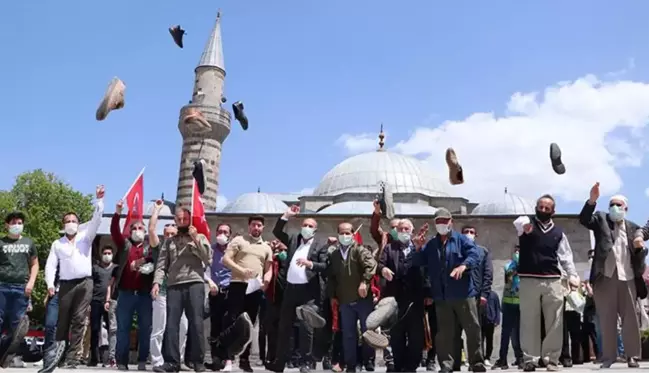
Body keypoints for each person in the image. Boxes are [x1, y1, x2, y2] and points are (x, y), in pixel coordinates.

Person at [580, 182, 647, 368]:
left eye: (619, 205)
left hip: (629, 277)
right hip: (605, 277)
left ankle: (632, 356)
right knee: (607, 319)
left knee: (631, 319)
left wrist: (640, 248)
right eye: (612, 205)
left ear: (626, 208)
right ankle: (608, 357)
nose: (615, 208)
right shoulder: (601, 219)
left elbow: (640, 255)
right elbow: (585, 219)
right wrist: (592, 200)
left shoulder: (634, 228)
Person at [413, 208, 485, 373]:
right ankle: (447, 365)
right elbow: (418, 262)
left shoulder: (461, 240)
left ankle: (476, 362)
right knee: (444, 333)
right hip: (441, 296)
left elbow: (475, 255)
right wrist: (417, 247)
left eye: (445, 221)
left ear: (451, 221)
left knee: (472, 328)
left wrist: (463, 265)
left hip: (463, 294)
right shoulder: (431, 244)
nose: (442, 224)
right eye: (438, 221)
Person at [43, 185, 105, 370]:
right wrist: (49, 284)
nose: (71, 223)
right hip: (66, 284)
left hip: (85, 283)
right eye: (67, 220)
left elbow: (96, 220)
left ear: (78, 223)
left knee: (79, 320)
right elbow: (50, 264)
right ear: (64, 225)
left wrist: (100, 200)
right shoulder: (57, 243)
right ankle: (59, 356)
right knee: (63, 320)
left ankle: (72, 358)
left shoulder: (86, 237)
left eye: (74, 220)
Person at [513, 194, 577, 372]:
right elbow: (518, 223)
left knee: (555, 321)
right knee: (528, 320)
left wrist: (572, 275)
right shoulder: (527, 225)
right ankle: (530, 359)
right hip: (528, 279)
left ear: (553, 212)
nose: (542, 210)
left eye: (547, 208)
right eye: (540, 207)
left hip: (553, 280)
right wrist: (525, 225)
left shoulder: (559, 233)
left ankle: (551, 359)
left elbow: (566, 257)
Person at [266, 206, 328, 373]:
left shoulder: (319, 246)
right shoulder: (293, 240)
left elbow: (325, 266)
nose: (306, 228)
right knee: (284, 327)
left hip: (308, 292)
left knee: (306, 328)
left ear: (315, 230)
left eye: (310, 226)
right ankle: (279, 363)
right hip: (290, 291)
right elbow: (277, 231)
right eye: (304, 225)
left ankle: (306, 363)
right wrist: (286, 215)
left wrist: (311, 264)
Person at [152, 207, 212, 373]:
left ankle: (198, 362)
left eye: (185, 219)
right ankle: (171, 362)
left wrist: (196, 240)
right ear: (175, 220)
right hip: (174, 285)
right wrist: (156, 283)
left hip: (194, 283)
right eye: (179, 219)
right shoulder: (169, 242)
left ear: (190, 219)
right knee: (171, 324)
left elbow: (208, 258)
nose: (182, 222)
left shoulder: (199, 237)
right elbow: (161, 265)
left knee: (196, 323)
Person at [213, 215, 273, 370]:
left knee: (249, 324)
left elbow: (269, 269)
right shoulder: (239, 241)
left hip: (255, 288)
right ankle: (228, 359)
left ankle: (244, 361)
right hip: (237, 285)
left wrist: (266, 282)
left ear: (263, 228)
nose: (256, 228)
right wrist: (241, 271)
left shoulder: (266, 247)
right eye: (253, 225)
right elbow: (226, 259)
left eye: (259, 225)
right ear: (249, 226)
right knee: (233, 321)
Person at [378, 219, 429, 373]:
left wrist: (428, 293)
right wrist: (383, 270)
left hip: (415, 300)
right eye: (400, 229)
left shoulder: (419, 248)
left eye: (407, 229)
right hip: (395, 300)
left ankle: (410, 367)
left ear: (412, 231)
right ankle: (398, 366)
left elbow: (426, 272)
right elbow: (379, 264)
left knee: (416, 337)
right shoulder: (389, 248)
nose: (403, 231)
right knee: (397, 336)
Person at [111, 199, 156, 370]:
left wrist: (142, 260)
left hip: (144, 294)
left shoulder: (149, 247)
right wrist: (117, 212)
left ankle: (142, 360)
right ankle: (121, 361)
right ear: (129, 232)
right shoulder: (125, 245)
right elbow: (114, 231)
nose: (137, 231)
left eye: (140, 228)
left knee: (145, 329)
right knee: (123, 328)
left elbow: (157, 258)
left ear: (145, 231)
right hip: (126, 293)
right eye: (134, 228)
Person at [327, 222, 377, 373]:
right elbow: (332, 277)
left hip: (363, 300)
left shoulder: (359, 250)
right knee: (348, 335)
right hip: (345, 300)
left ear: (353, 234)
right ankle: (351, 364)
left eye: (347, 233)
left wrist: (364, 282)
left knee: (367, 332)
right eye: (342, 233)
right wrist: (332, 296)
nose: (344, 236)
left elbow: (371, 266)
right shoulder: (334, 255)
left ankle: (368, 361)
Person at [148, 203, 189, 371]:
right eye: (167, 234)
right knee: (159, 328)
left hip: (180, 291)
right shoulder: (160, 248)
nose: (170, 235)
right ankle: (157, 361)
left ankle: (178, 360)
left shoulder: (181, 246)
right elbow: (151, 230)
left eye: (173, 233)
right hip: (163, 292)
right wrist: (157, 210)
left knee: (183, 327)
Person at [0, 211, 39, 364]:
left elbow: (35, 264)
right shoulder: (1, 242)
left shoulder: (29, 243)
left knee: (17, 324)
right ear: (7, 225)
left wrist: (31, 282)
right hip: (1, 287)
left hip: (21, 288)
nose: (17, 225)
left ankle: (8, 356)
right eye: (14, 222)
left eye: (19, 223)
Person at [207, 223, 233, 371]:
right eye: (220, 231)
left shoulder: (234, 250)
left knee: (228, 327)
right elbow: (204, 268)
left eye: (225, 231)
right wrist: (210, 282)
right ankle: (216, 360)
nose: (222, 234)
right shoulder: (210, 250)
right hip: (215, 292)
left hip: (230, 292)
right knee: (215, 327)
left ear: (230, 235)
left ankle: (228, 360)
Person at [493, 246, 523, 370]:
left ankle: (520, 358)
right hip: (508, 303)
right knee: (506, 333)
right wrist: (518, 265)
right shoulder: (509, 266)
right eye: (516, 251)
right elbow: (509, 279)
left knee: (520, 334)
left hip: (522, 303)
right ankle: (503, 359)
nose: (517, 253)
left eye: (520, 251)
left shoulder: (529, 265)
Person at [88, 246, 116, 367]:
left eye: (109, 253)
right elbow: (90, 284)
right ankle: (94, 358)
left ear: (113, 255)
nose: (107, 255)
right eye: (105, 253)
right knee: (94, 330)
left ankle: (111, 358)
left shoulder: (116, 268)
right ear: (101, 254)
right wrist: (88, 302)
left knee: (112, 329)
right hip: (95, 301)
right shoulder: (95, 268)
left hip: (111, 302)